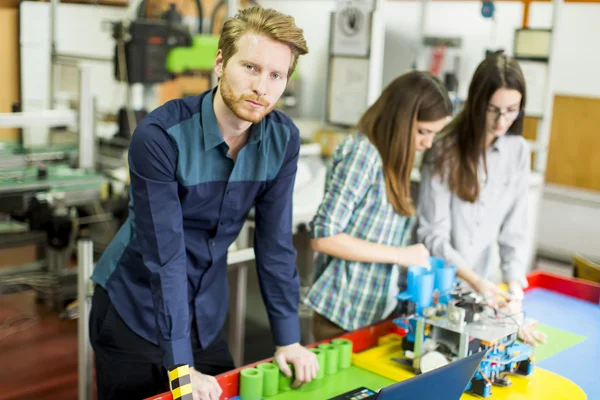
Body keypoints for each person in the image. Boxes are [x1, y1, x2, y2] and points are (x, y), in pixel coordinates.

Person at [89, 6, 319, 400]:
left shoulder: (283, 140)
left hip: (206, 317)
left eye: (276, 75)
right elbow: (166, 256)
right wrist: (180, 367)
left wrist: (288, 339)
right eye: (250, 67)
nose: (261, 87)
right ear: (219, 62)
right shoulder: (161, 137)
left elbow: (275, 245)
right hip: (135, 311)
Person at [303, 71, 453, 341]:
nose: (428, 143)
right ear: (400, 120)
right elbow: (323, 237)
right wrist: (400, 254)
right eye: (422, 131)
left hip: (375, 311)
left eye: (434, 134)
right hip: (343, 316)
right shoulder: (363, 154)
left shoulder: (393, 158)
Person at [416, 54, 547, 346]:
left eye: (512, 110)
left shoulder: (518, 151)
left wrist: (514, 293)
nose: (502, 120)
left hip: (483, 293)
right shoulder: (444, 150)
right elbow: (432, 234)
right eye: (493, 110)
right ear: (477, 103)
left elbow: (514, 230)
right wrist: (476, 282)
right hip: (439, 289)